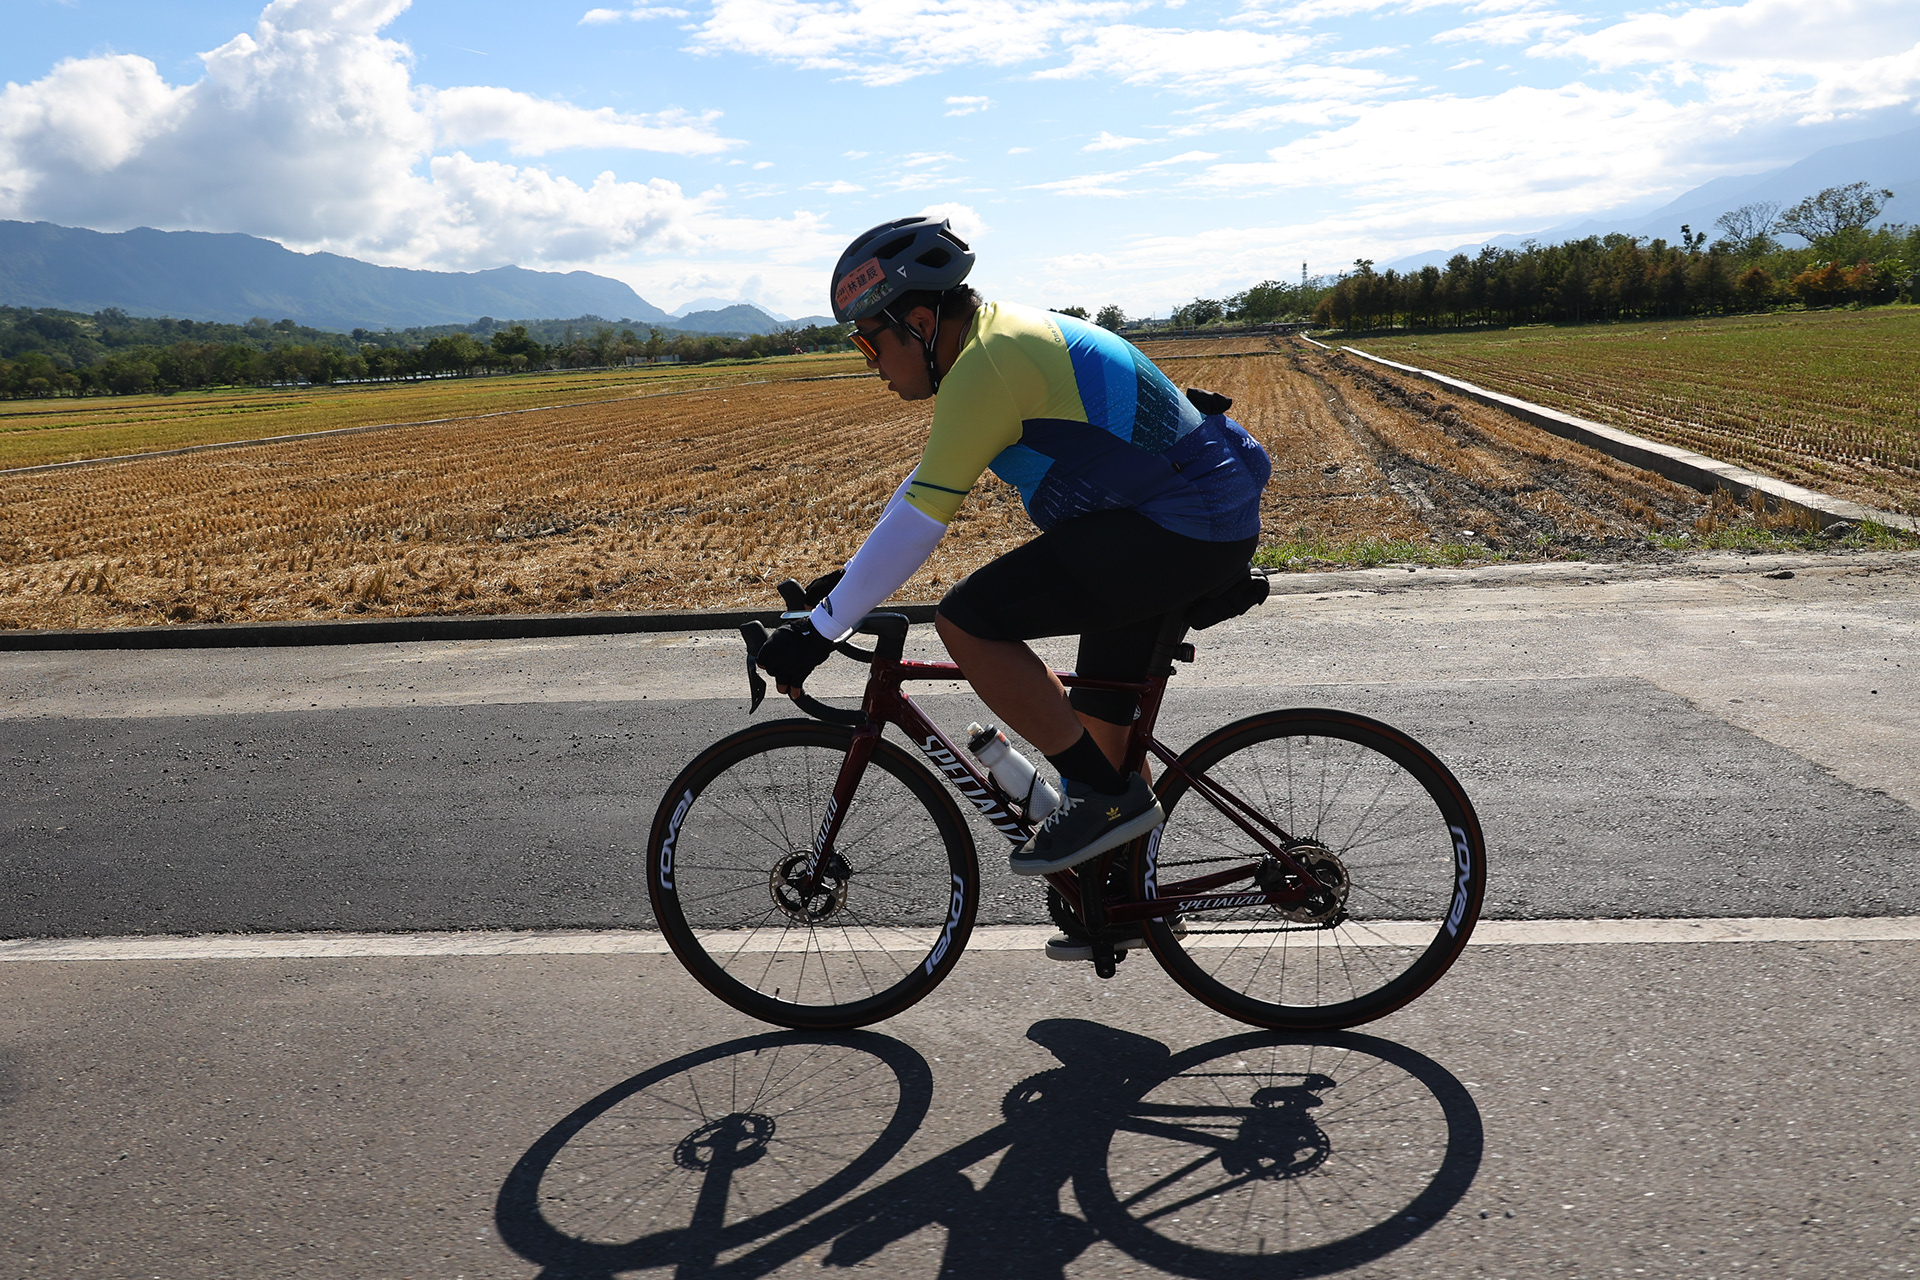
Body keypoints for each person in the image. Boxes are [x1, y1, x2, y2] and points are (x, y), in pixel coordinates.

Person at [756, 215, 1271, 899]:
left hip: (1178, 528)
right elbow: (922, 486)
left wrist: (823, 629)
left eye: (868, 344)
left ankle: (1101, 802)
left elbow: (920, 521)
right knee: (1099, 737)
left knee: (969, 621)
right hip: (1187, 523)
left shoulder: (988, 364)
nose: (871, 366)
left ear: (916, 321)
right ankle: (1123, 900)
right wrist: (848, 588)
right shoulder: (995, 341)